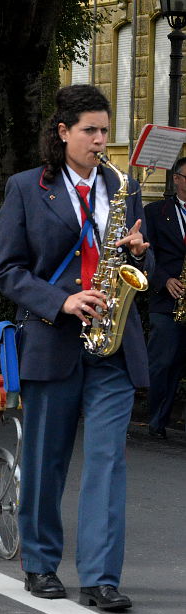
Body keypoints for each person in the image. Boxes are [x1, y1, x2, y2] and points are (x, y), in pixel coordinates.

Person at [0, 84, 154, 611]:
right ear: (62, 133)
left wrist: (138, 252)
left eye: (105, 130)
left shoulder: (124, 187)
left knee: (108, 463)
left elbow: (142, 270)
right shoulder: (24, 187)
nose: (100, 140)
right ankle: (40, 564)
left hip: (113, 343)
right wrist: (61, 303)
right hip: (53, 337)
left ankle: (102, 577)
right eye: (90, 130)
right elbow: (8, 272)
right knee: (46, 461)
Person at [145, 158, 186, 439]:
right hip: (166, 300)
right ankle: (156, 421)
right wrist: (163, 280)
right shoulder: (156, 212)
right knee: (163, 363)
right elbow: (144, 255)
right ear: (177, 179)